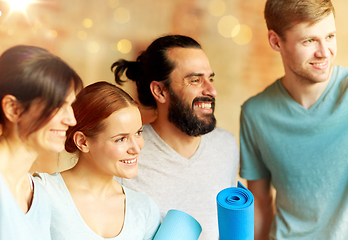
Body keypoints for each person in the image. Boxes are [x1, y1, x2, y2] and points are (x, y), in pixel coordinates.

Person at [111, 34, 239, 240]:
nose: (212, 90)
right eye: (195, 80)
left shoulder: (226, 146)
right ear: (160, 91)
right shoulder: (125, 154)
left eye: (210, 79)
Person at [239, 0, 348, 239]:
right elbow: (260, 204)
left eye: (330, 36)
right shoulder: (255, 113)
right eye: (309, 41)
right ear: (276, 41)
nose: (324, 52)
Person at [35, 81, 161, 240]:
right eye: (121, 139)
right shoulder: (42, 192)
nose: (136, 148)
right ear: (82, 142)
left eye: (138, 133)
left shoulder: (144, 208)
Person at [0, 45, 82, 239]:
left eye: (70, 106)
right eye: (57, 106)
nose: (71, 120)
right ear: (13, 109)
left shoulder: (39, 195)